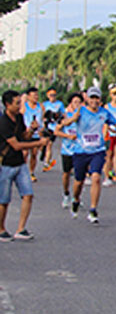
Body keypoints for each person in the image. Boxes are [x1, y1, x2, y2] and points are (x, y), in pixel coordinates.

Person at [60, 86, 116, 224]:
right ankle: (75, 199)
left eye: (97, 98)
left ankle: (93, 209)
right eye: (92, 97)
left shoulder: (104, 112)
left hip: (97, 150)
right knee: (78, 182)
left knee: (96, 177)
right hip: (81, 151)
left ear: (100, 99)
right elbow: (64, 123)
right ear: (87, 99)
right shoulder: (81, 110)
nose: (94, 100)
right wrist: (73, 118)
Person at [0, 90, 50, 241]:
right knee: (4, 200)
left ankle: (21, 229)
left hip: (20, 163)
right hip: (6, 164)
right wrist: (38, 143)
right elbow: (16, 145)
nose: (19, 106)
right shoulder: (3, 123)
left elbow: (23, 137)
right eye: (17, 103)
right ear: (7, 105)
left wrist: (32, 130)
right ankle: (1, 229)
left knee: (28, 194)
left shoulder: (19, 118)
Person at [53, 93, 82, 209]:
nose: (78, 104)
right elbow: (56, 131)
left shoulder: (84, 116)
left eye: (79, 102)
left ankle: (77, 196)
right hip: (67, 150)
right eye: (75, 102)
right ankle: (66, 194)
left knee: (79, 175)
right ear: (71, 103)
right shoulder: (65, 116)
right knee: (66, 173)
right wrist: (68, 136)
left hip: (80, 150)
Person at [21, 87, 44, 182]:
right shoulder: (24, 107)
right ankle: (22, 172)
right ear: (29, 96)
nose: (36, 97)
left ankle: (31, 172)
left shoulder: (41, 107)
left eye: (37, 95)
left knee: (34, 154)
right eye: (34, 95)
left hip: (36, 134)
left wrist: (41, 130)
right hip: (26, 134)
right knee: (25, 153)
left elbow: (43, 121)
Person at [42, 87, 65, 173]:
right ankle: (47, 158)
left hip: (54, 128)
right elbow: (42, 115)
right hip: (46, 127)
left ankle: (46, 163)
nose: (53, 97)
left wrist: (60, 121)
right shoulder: (44, 104)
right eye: (51, 95)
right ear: (48, 95)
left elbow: (63, 114)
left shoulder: (60, 104)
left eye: (54, 95)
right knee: (44, 144)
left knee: (49, 145)